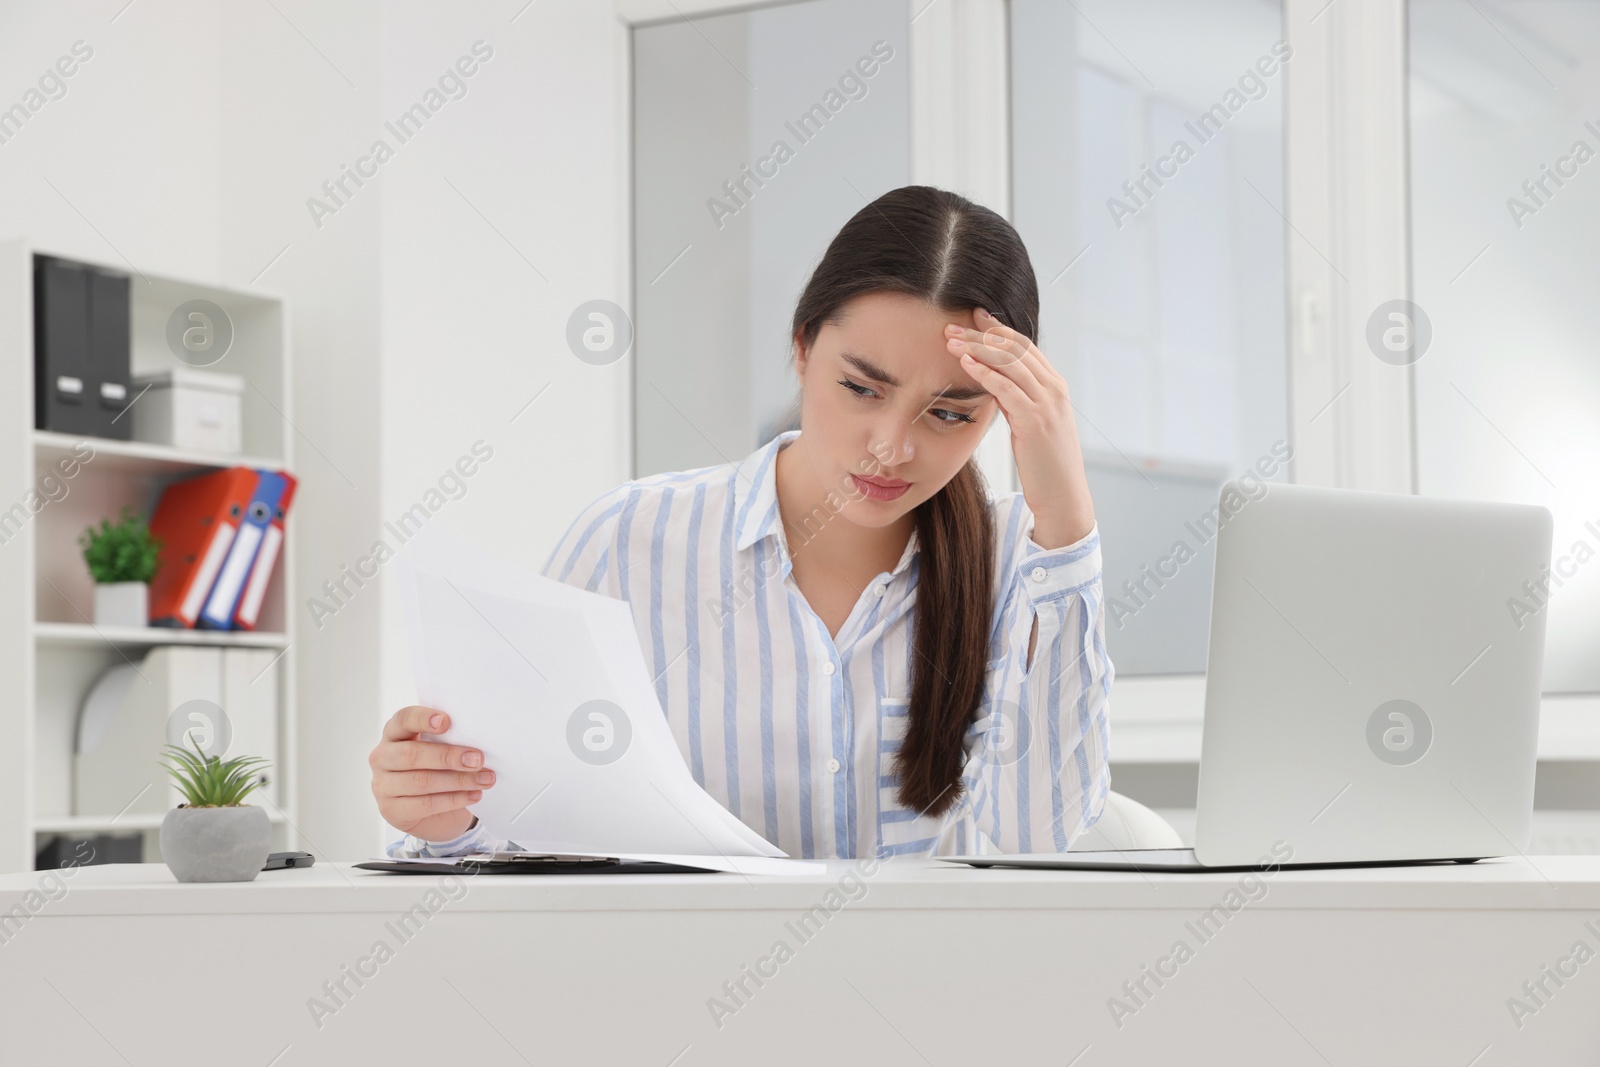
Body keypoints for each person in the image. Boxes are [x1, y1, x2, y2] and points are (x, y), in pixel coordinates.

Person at [371, 185, 1112, 860]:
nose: (893, 445)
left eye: (951, 413)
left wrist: (1067, 518)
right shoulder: (626, 543)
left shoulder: (1027, 563)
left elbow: (1036, 839)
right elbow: (529, 837)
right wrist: (449, 819)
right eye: (860, 387)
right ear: (801, 347)